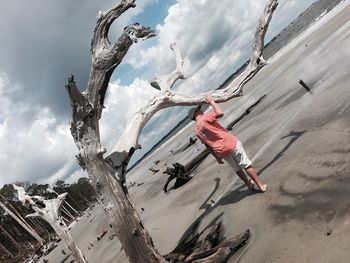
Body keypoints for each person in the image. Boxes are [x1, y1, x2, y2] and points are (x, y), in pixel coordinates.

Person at [188, 94, 267, 192]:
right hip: (231, 143)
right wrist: (212, 101)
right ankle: (260, 186)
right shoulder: (204, 118)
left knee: (237, 168)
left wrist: (216, 157)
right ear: (196, 113)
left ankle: (248, 184)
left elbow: (207, 145)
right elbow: (220, 113)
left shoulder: (196, 130)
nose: (201, 110)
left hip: (221, 151)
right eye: (198, 109)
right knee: (245, 164)